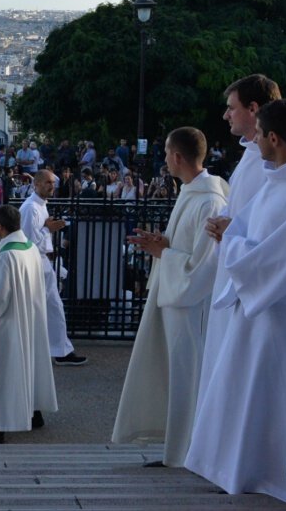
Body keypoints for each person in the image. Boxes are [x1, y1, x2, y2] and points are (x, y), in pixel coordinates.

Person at [183, 99, 286, 502]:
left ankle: (271, 473)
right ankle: (239, 467)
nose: (254, 141)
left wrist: (231, 239)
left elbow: (284, 256)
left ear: (275, 138)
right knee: (246, 389)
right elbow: (254, 226)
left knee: (273, 395)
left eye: (259, 134)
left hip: (281, 308)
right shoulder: (278, 177)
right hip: (258, 304)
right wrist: (230, 228)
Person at [112, 127, 228, 467]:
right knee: (174, 378)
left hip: (189, 307)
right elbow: (184, 247)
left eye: (165, 154)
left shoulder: (210, 199)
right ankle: (175, 450)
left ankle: (186, 454)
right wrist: (163, 243)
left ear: (177, 157)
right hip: (174, 301)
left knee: (187, 378)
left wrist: (164, 253)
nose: (164, 159)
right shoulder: (192, 192)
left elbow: (204, 267)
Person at [196, 74, 280, 419]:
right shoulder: (250, 155)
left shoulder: (273, 161)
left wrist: (233, 229)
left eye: (232, 108)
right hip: (234, 267)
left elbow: (274, 222)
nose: (226, 116)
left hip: (254, 280)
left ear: (254, 109)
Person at [0, 204, 58, 443]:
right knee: (29, 365)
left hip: (9, 325)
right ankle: (33, 411)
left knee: (1, 372)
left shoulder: (6, 256)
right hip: (30, 319)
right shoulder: (29, 248)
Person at [21, 170, 87, 366]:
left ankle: (61, 350)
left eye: (53, 183)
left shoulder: (41, 206)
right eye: (48, 183)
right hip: (33, 263)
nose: (52, 186)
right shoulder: (31, 208)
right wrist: (48, 229)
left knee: (53, 306)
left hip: (42, 262)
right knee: (20, 305)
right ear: (37, 184)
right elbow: (27, 240)